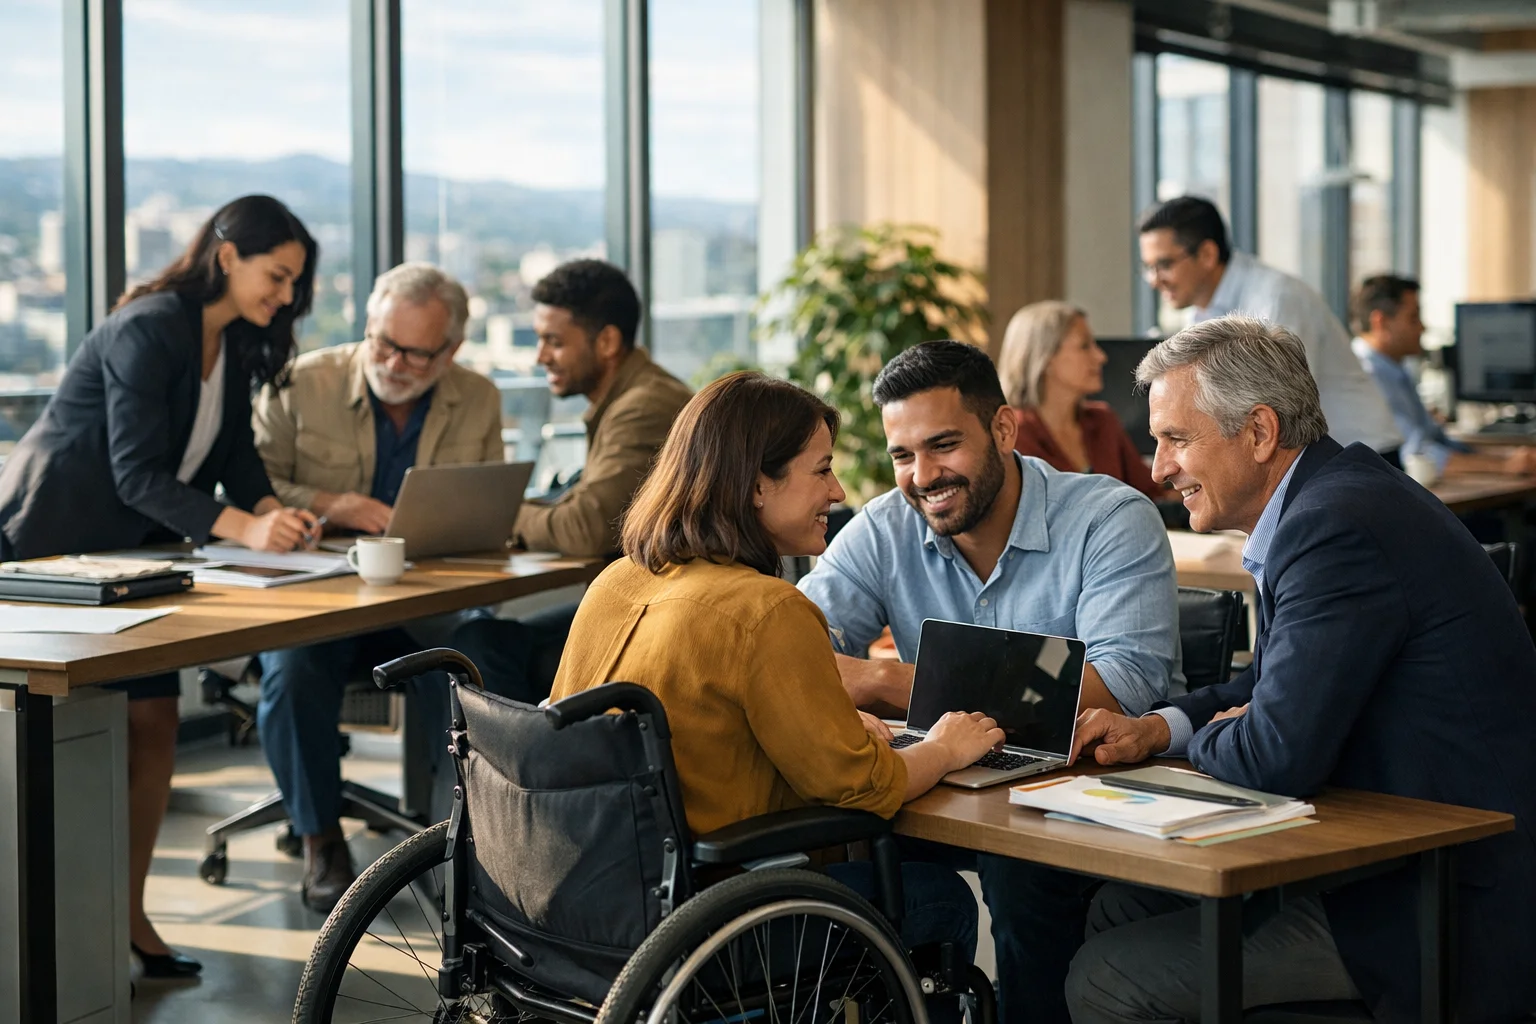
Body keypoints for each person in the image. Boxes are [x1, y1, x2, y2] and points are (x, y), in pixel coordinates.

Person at [1064, 315, 1536, 1023]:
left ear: (1257, 432)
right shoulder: (1334, 498)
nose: (1157, 468)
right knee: (1117, 906)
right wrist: (1160, 730)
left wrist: (1235, 732)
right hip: (1373, 854)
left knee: (1105, 979)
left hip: (1437, 899)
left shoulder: (1334, 526)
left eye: (1176, 439)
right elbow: (1269, 690)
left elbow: (1276, 752)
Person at [548, 371, 1003, 1018]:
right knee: (941, 899)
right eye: (821, 471)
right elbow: (866, 789)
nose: (838, 491)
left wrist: (841, 735)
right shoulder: (767, 610)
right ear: (758, 484)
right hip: (702, 917)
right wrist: (944, 747)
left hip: (581, 899)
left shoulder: (619, 580)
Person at [797, 340, 1182, 1024]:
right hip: (945, 782)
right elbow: (799, 644)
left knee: (1022, 871)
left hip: (1086, 792)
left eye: (944, 446)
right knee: (834, 841)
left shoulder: (1108, 517)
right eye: (902, 455)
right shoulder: (886, 526)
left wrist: (885, 685)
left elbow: (1119, 684)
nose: (922, 476)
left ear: (1003, 429)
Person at [0, 194, 321, 980]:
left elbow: (235, 453)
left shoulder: (235, 344)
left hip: (128, 559)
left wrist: (272, 508)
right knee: (49, 734)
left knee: (155, 720)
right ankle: (50, 934)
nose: (282, 298)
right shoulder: (149, 329)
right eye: (274, 277)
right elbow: (136, 470)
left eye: (291, 285)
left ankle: (129, 914)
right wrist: (244, 530)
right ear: (226, 255)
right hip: (54, 549)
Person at [250, 261, 505, 913]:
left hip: (421, 601)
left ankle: (466, 844)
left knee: (471, 667)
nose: (395, 362)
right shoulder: (300, 384)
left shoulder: (476, 397)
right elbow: (253, 485)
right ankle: (321, 840)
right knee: (293, 671)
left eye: (418, 353)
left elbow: (487, 499)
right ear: (367, 327)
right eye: (384, 343)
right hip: (321, 601)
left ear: (449, 351)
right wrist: (334, 504)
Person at [449, 259, 691, 704]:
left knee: (480, 643)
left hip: (659, 615)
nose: (540, 356)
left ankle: (528, 772)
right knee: (480, 635)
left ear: (607, 341)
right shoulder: (631, 398)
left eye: (554, 342)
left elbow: (585, 526)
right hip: (642, 602)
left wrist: (499, 514)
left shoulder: (643, 407)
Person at [1138, 196, 1402, 461]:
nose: (1153, 280)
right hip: (1315, 458)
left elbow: (1278, 406)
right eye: (1148, 267)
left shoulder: (1276, 299)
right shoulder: (1199, 314)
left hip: (1361, 454)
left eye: (1164, 265)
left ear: (1207, 254)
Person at [1352, 273, 1536, 478]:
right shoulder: (1365, 376)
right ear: (1381, 322)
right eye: (1413, 318)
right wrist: (1505, 466)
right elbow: (1419, 454)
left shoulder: (1394, 371)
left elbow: (1438, 441)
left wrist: (1506, 457)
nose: (1423, 327)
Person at [998, 300, 1162, 499]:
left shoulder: (1103, 421)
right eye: (1085, 346)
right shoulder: (1012, 433)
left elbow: (1153, 494)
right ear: (1045, 357)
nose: (1101, 356)